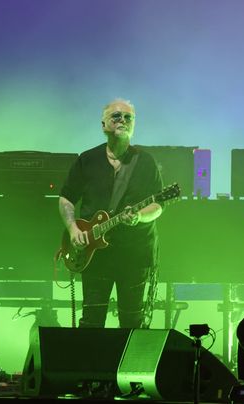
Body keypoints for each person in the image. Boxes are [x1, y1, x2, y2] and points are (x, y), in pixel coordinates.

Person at [59, 98, 163, 328]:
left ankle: (129, 365)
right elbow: (66, 198)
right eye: (116, 116)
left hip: (134, 254)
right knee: (92, 321)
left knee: (132, 321)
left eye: (129, 117)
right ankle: (92, 364)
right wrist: (73, 228)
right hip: (95, 254)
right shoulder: (87, 160)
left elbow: (157, 205)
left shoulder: (145, 161)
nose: (123, 120)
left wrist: (139, 217)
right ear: (104, 124)